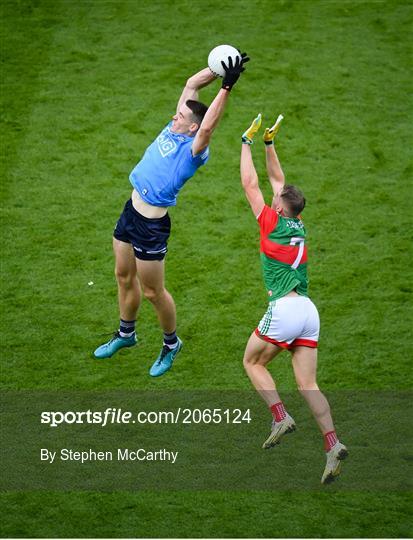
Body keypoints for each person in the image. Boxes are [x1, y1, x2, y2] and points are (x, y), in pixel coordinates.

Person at [94, 53, 249, 377]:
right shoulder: (175, 128)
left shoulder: (193, 150)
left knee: (153, 291)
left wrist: (227, 87)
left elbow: (207, 128)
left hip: (151, 226)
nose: (172, 117)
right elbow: (192, 84)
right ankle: (126, 334)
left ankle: (170, 343)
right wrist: (218, 69)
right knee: (123, 276)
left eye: (179, 117)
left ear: (192, 127)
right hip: (130, 211)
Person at [239, 113, 348, 484]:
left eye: (277, 199)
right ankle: (332, 444)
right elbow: (277, 182)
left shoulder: (270, 222)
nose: (274, 197)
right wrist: (271, 144)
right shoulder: (298, 223)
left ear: (281, 208)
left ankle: (280, 415)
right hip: (308, 310)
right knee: (308, 384)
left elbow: (251, 184)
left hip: (284, 308)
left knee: (253, 362)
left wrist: (245, 143)